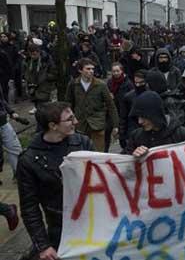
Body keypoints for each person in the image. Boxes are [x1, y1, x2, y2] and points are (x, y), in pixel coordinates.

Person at [17, 102, 94, 260]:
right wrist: (43, 246)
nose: (76, 122)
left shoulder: (83, 143)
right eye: (69, 119)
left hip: (93, 223)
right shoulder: (29, 160)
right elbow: (29, 207)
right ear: (53, 126)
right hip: (60, 230)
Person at [66, 58, 119, 152]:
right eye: (88, 69)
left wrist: (115, 125)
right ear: (80, 70)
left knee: (98, 153)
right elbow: (69, 104)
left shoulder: (101, 85)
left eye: (92, 69)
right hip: (80, 124)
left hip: (97, 123)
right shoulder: (74, 84)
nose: (91, 71)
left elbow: (111, 105)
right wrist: (70, 120)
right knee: (81, 152)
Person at [124, 91, 185, 156]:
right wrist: (133, 156)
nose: (140, 121)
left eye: (144, 117)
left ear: (155, 115)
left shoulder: (182, 135)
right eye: (138, 117)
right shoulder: (136, 137)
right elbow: (123, 161)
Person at [23, 40, 57, 115]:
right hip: (33, 89)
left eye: (35, 53)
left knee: (45, 111)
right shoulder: (28, 61)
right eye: (31, 54)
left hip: (45, 88)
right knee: (39, 110)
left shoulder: (46, 59)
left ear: (38, 52)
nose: (33, 55)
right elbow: (26, 73)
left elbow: (54, 74)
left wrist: (45, 76)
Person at [105, 62, 133, 152]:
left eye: (117, 71)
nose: (116, 73)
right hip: (112, 112)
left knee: (123, 138)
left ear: (121, 71)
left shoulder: (128, 84)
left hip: (124, 113)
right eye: (114, 71)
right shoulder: (109, 83)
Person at [0, 86, 24, 177]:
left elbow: (1, 100)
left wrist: (11, 112)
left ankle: (20, 175)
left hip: (3, 122)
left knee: (15, 149)